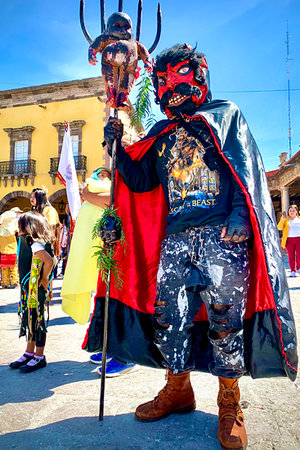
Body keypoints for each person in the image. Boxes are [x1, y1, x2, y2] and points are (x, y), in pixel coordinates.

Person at [83, 44, 297, 449]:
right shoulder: (160, 135)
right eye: (162, 80)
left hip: (222, 237)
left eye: (178, 75)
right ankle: (177, 387)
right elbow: (142, 181)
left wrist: (238, 216)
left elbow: (243, 168)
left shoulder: (223, 116)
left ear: (199, 74)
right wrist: (117, 147)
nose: (170, 88)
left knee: (224, 318)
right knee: (169, 316)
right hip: (175, 237)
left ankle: (229, 402)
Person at [61, 166, 137, 376]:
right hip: (109, 246)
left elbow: (114, 200)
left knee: (121, 299)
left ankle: (127, 355)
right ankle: (111, 348)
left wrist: (87, 194)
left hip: (125, 246)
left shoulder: (130, 170)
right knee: (106, 298)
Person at [9, 211, 55, 373]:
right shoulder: (28, 241)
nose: (17, 228)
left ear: (28, 227)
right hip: (29, 290)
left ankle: (39, 356)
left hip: (36, 291)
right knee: (31, 320)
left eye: (20, 224)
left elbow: (48, 260)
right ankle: (29, 352)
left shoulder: (33, 242)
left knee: (38, 322)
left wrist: (45, 278)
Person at [277, 204, 300, 277]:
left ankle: (299, 268)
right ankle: (292, 271)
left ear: (296, 211)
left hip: (299, 239)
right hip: (289, 240)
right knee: (291, 256)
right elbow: (279, 228)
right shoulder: (286, 219)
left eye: (293, 210)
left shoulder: (299, 219)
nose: (292, 212)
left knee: (299, 255)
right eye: (290, 211)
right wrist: (281, 220)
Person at [0, 209, 19, 289]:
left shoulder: (1, 231)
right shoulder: (13, 229)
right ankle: (14, 281)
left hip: (4, 251)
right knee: (13, 267)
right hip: (12, 251)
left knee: (4, 268)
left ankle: (5, 283)